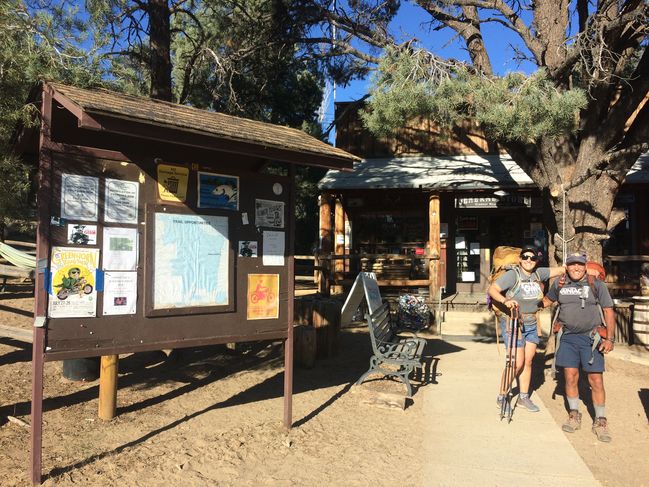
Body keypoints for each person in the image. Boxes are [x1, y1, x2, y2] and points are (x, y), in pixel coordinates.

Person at [542, 251, 615, 442]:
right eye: (572, 264)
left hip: (592, 339)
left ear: (585, 266)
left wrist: (610, 339)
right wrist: (521, 300)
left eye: (579, 264)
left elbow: (608, 311)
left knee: (596, 380)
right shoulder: (560, 284)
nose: (576, 268)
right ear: (567, 266)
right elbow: (545, 301)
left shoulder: (596, 284)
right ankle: (574, 413)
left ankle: (600, 419)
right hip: (567, 338)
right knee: (570, 377)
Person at [488, 245, 565, 413]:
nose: (529, 260)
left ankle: (523, 397)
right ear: (520, 259)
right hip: (514, 322)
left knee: (528, 361)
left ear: (536, 261)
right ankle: (501, 396)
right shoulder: (512, 275)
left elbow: (561, 270)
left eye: (532, 258)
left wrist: (578, 264)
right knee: (515, 363)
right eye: (525, 257)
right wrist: (505, 301)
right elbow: (493, 289)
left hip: (531, 322)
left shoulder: (539, 273)